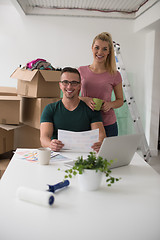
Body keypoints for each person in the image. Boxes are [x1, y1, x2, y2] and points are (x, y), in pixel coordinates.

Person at [40, 67, 106, 152]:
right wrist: (51, 144)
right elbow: (44, 138)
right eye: (65, 82)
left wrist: (100, 143)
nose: (69, 86)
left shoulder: (91, 109)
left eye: (74, 83)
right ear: (60, 85)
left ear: (79, 86)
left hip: (84, 156)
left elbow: (100, 134)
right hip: (58, 155)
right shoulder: (50, 109)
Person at [78, 32, 124, 137]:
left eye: (104, 49)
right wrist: (85, 99)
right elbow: (72, 96)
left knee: (108, 154)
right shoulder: (81, 71)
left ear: (109, 52)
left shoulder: (115, 74)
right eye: (97, 48)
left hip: (108, 124)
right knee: (85, 154)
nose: (100, 52)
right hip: (85, 121)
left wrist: (110, 104)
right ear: (92, 48)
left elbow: (120, 101)